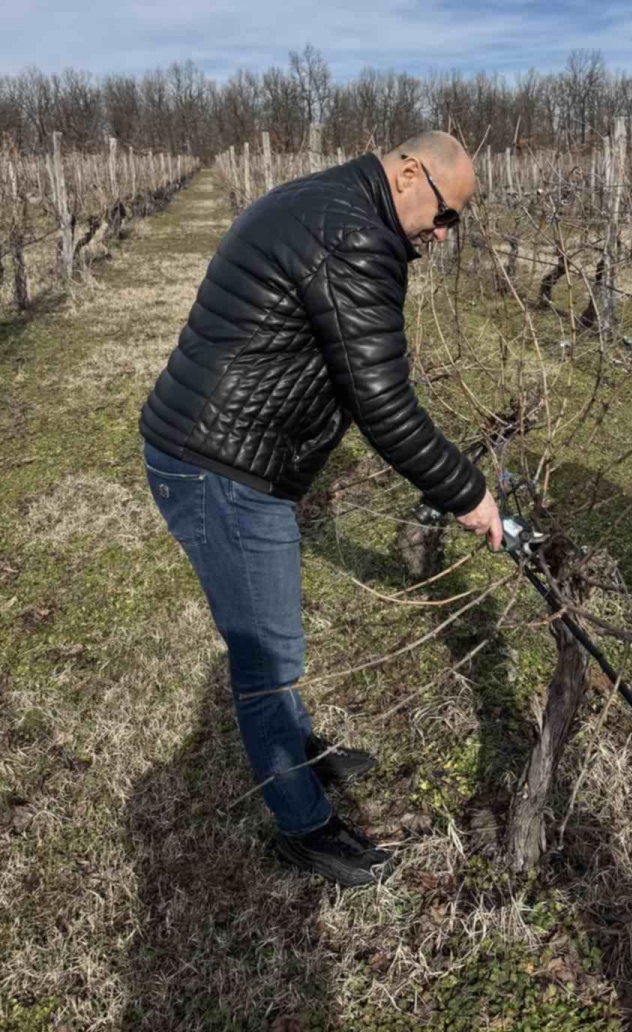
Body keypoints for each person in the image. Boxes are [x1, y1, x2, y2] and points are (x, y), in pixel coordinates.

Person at [139, 131, 503, 887]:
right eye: (445, 216)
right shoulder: (354, 236)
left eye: (454, 224)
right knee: (267, 664)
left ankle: (302, 753)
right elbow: (383, 401)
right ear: (408, 174)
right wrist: (468, 493)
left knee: (274, 637)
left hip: (222, 454)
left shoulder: (326, 200)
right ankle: (303, 827)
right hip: (218, 466)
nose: (443, 236)